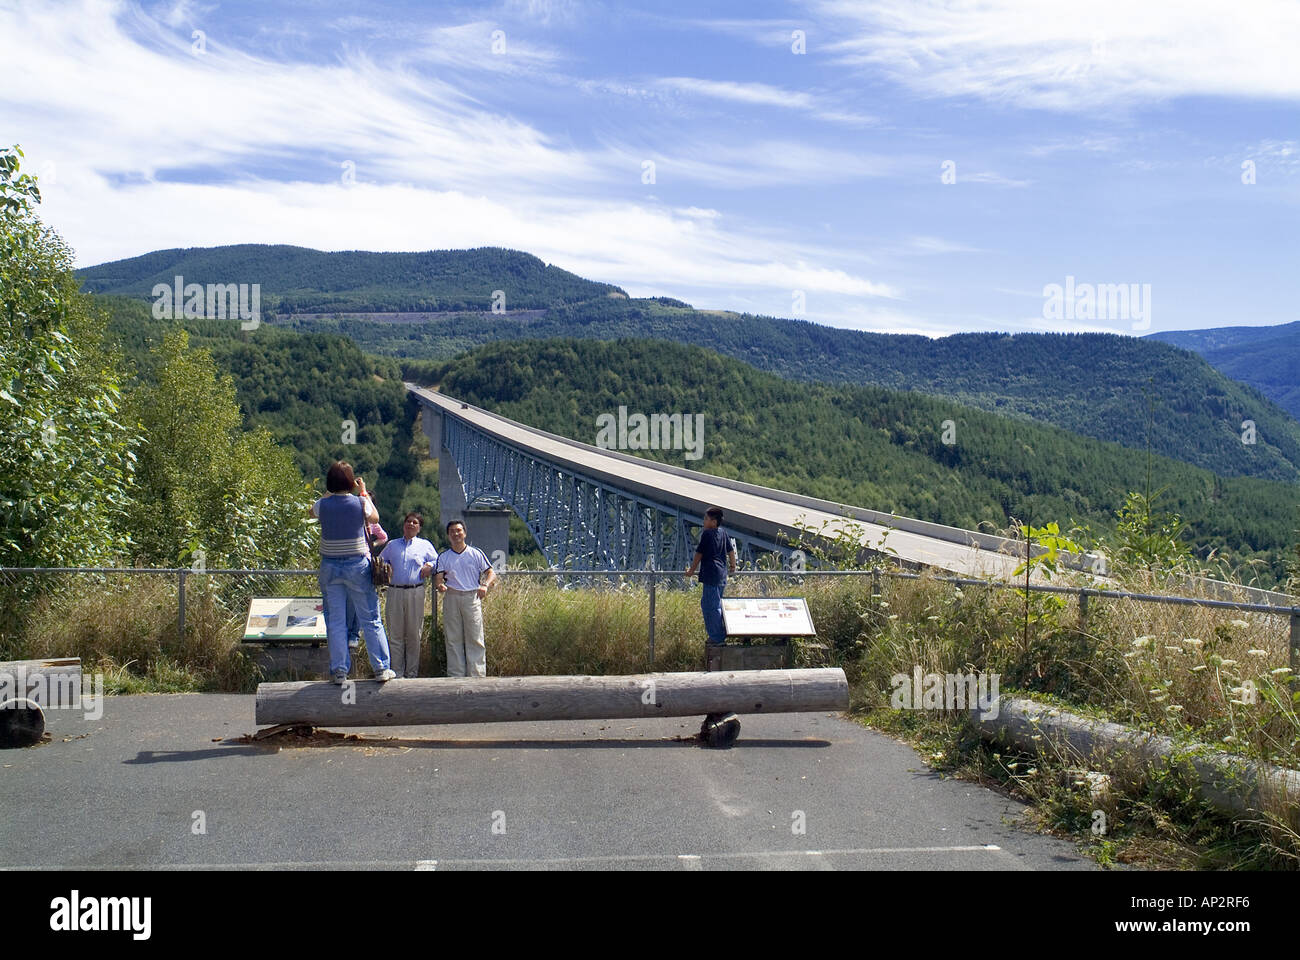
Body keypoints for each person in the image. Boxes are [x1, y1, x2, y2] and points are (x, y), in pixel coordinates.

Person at [310, 462, 395, 683]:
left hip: (329, 565)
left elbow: (310, 511)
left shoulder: (322, 505)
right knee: (370, 618)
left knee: (336, 620)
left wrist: (330, 491)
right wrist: (363, 491)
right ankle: (381, 668)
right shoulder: (359, 503)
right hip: (356, 565)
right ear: (350, 482)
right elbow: (375, 518)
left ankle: (339, 670)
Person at [378, 511, 439, 678]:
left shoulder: (425, 545)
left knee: (413, 634)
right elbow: (381, 561)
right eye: (408, 521)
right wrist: (385, 567)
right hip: (395, 591)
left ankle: (412, 673)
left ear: (419, 528)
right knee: (395, 634)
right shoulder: (392, 545)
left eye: (415, 523)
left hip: (415, 591)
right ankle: (397, 672)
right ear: (403, 525)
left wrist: (430, 566)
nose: (411, 524)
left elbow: (438, 561)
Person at [434, 519, 496, 677]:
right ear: (448, 535)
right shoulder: (444, 557)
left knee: (475, 637)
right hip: (452, 596)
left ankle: (477, 676)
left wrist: (485, 585)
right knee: (453, 638)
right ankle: (456, 676)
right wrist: (440, 586)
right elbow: (439, 578)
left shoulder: (475, 553)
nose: (456, 534)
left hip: (472, 597)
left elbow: (491, 572)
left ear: (465, 533)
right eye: (452, 531)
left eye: (459, 530)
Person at [684, 506, 737, 670]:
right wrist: (733, 566)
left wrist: (692, 570)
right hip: (722, 574)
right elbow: (730, 551)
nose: (704, 521)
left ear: (713, 522)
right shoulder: (723, 532)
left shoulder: (707, 534)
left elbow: (699, 553)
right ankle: (718, 635)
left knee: (710, 606)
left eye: (706, 519)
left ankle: (717, 637)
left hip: (711, 574)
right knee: (715, 604)